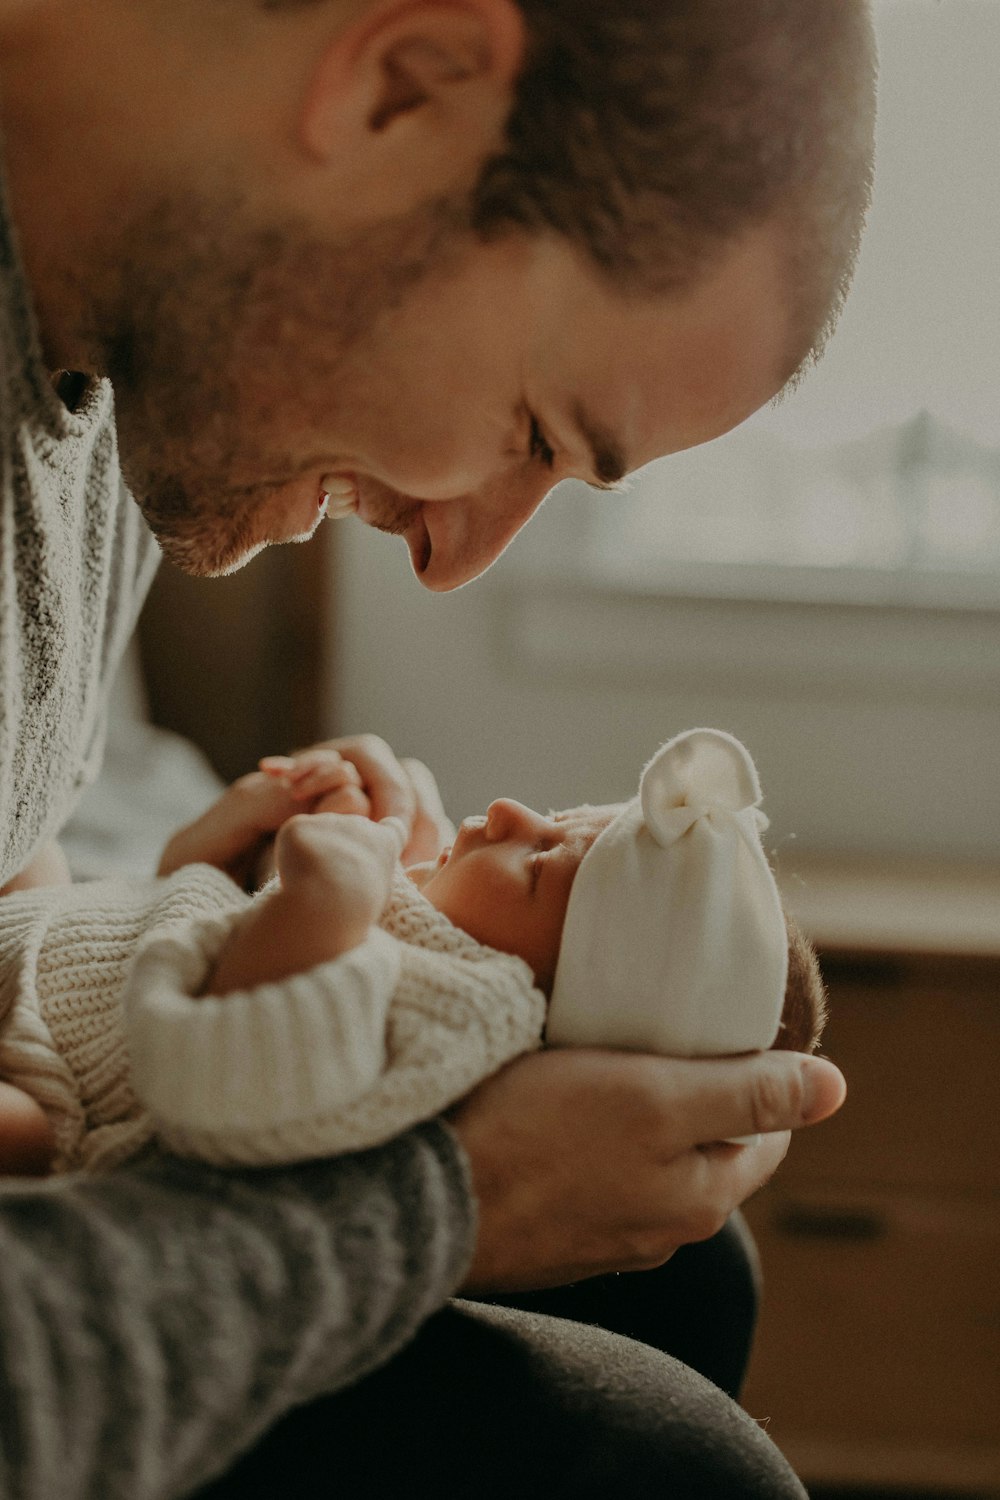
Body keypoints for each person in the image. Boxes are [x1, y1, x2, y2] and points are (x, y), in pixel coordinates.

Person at [0, 1, 877, 1495]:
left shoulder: (130, 337)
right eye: (533, 428)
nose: (457, 555)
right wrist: (449, 1196)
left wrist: (166, 895)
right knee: (664, 1475)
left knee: (679, 1272)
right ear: (406, 86)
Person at [0, 729, 827, 1173]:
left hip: (49, 1082)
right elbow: (184, 941)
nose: (506, 811)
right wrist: (208, 862)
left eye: (539, 863)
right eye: (555, 814)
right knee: (26, 835)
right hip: (56, 953)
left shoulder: (464, 1019)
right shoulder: (421, 918)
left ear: (547, 1000)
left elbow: (219, 1075)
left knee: (22, 1140)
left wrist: (323, 905)